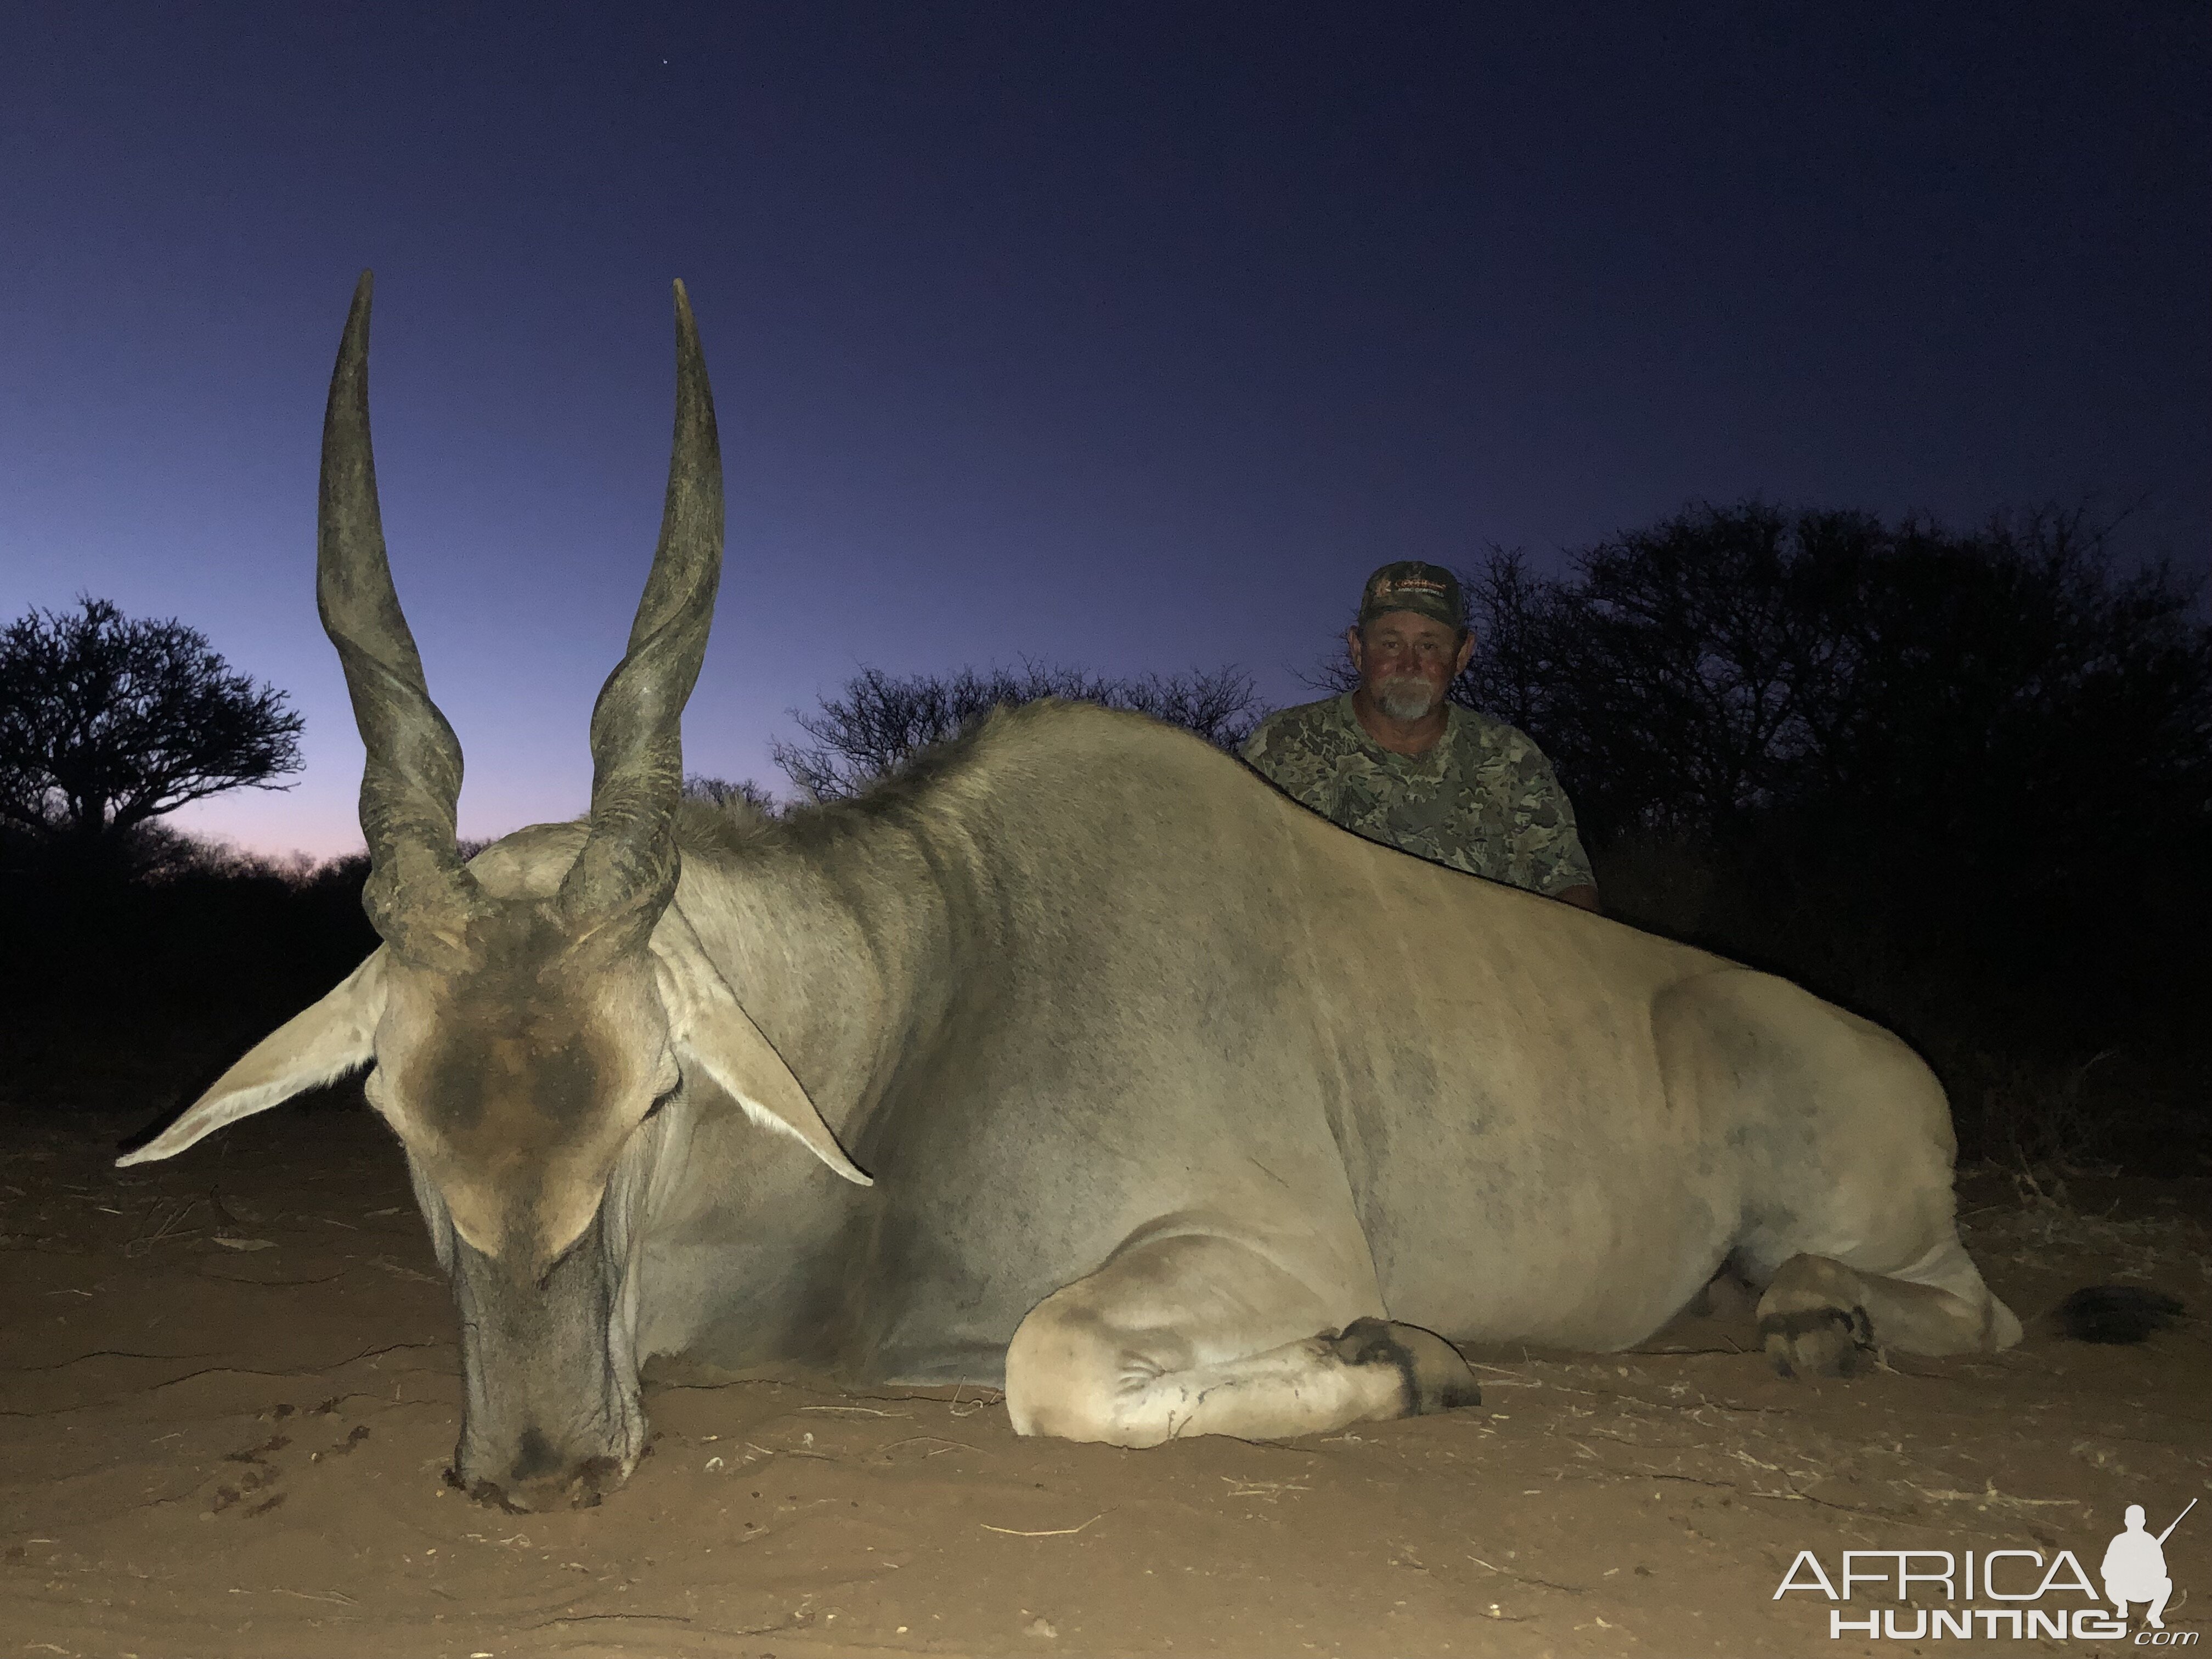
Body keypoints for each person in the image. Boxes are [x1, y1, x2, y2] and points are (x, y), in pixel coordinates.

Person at [1242, 561, 1600, 911]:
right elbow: (1235, 864)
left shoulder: (1512, 758)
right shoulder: (1282, 744)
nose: (1410, 665)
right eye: (1391, 644)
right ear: (1357, 649)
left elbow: (1568, 886)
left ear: (1461, 655)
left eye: (1429, 646)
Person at [2101, 1504, 2175, 1629]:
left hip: (2144, 1589)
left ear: (2126, 1522)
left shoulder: (2150, 1542)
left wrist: (2146, 1571)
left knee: (2166, 1583)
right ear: (2144, 1522)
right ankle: (2122, 1605)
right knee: (2110, 1582)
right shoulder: (2119, 1541)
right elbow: (2106, 1570)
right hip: (2124, 1589)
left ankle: (2154, 1615)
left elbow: (2162, 1571)